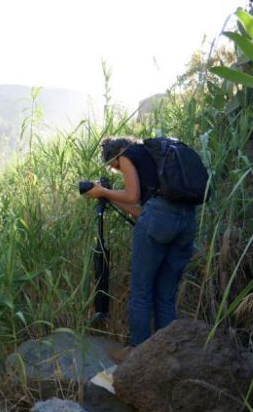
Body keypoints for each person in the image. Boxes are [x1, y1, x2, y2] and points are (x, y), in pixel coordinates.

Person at [84, 137, 197, 359]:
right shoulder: (157, 160)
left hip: (159, 223)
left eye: (115, 167)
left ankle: (138, 353)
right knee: (165, 295)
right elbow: (143, 211)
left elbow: (133, 196)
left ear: (116, 155)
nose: (117, 170)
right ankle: (168, 352)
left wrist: (102, 192)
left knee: (141, 291)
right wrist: (110, 197)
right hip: (186, 222)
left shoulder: (128, 153)